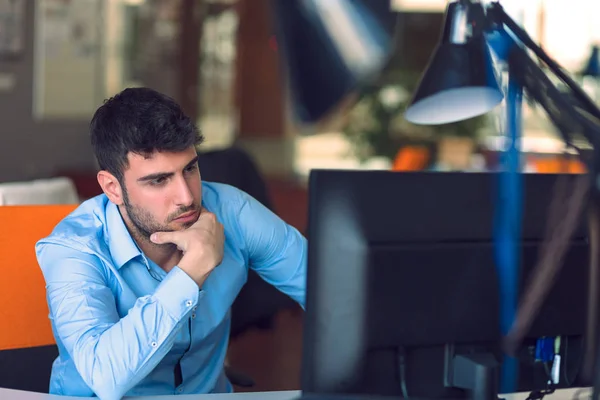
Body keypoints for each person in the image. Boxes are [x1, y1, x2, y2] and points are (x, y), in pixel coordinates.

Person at [35, 87, 307, 400]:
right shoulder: (74, 249)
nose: (187, 197)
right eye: (158, 180)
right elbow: (105, 378)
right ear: (113, 188)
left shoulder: (233, 212)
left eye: (190, 169)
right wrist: (191, 273)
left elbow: (331, 291)